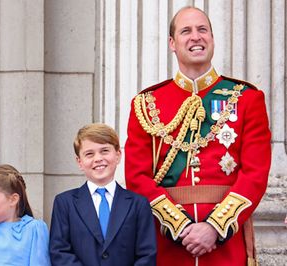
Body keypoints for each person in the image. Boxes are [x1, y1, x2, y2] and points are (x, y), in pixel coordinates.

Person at [125, 6, 271, 266]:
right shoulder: (146, 104)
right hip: (168, 245)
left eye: (202, 30)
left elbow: (255, 174)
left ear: (212, 39)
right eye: (186, 31)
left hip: (225, 245)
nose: (196, 37)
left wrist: (215, 227)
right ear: (172, 43)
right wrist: (179, 226)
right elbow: (137, 177)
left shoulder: (247, 98)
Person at [50, 123, 157, 265]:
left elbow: (147, 254)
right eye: (89, 154)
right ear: (79, 162)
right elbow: (59, 252)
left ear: (118, 155)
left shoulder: (138, 204)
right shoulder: (65, 203)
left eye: (104, 151)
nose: (98, 158)